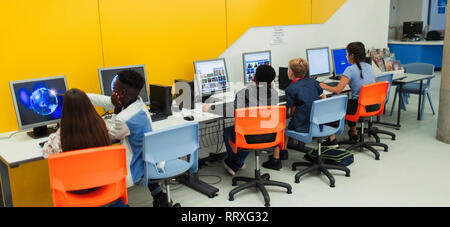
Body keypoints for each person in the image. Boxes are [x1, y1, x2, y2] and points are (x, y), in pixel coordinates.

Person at [87, 69, 168, 207]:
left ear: (122, 93)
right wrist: (83, 96)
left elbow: (108, 134)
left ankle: (119, 204)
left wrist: (115, 111)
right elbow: (106, 101)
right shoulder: (138, 104)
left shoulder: (124, 119)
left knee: (99, 172)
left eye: (114, 89)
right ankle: (159, 195)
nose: (112, 92)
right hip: (149, 157)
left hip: (134, 163)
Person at [42, 88, 128, 206]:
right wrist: (116, 111)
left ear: (65, 110)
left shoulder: (59, 137)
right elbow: (112, 129)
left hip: (76, 190)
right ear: (89, 105)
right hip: (103, 184)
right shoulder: (101, 127)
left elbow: (46, 153)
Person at [203, 64, 279, 175]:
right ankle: (236, 163)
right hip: (269, 135)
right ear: (271, 82)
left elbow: (230, 111)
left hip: (250, 136)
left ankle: (235, 163)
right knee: (249, 130)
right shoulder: (274, 94)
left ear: (254, 78)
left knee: (229, 132)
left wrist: (210, 108)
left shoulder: (245, 93)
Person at [261, 58, 333, 170]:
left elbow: (292, 111)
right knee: (286, 120)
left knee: (280, 123)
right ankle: (283, 151)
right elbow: (323, 96)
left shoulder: (291, 89)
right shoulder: (313, 82)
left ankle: (276, 159)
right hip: (317, 122)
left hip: (303, 125)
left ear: (291, 72)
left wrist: (289, 116)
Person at [319, 42, 377, 143]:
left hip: (359, 107)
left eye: (347, 54)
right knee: (350, 102)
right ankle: (353, 134)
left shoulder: (350, 70)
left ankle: (331, 138)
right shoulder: (369, 66)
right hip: (373, 105)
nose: (346, 56)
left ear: (352, 55)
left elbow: (337, 90)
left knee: (335, 105)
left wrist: (324, 86)